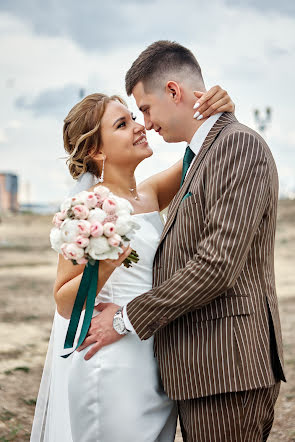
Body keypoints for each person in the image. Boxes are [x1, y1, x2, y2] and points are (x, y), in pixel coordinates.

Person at [80, 41, 286, 441]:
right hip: (197, 369)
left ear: (173, 91)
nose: (146, 122)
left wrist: (124, 318)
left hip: (227, 368)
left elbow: (217, 265)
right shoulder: (202, 155)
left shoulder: (236, 145)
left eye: (144, 108)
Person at [30, 85, 235, 442]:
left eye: (134, 118)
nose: (139, 126)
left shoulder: (150, 192)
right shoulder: (88, 208)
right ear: (96, 151)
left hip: (153, 352)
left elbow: (201, 151)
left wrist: (220, 111)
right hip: (109, 362)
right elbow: (64, 301)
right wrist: (107, 263)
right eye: (123, 124)